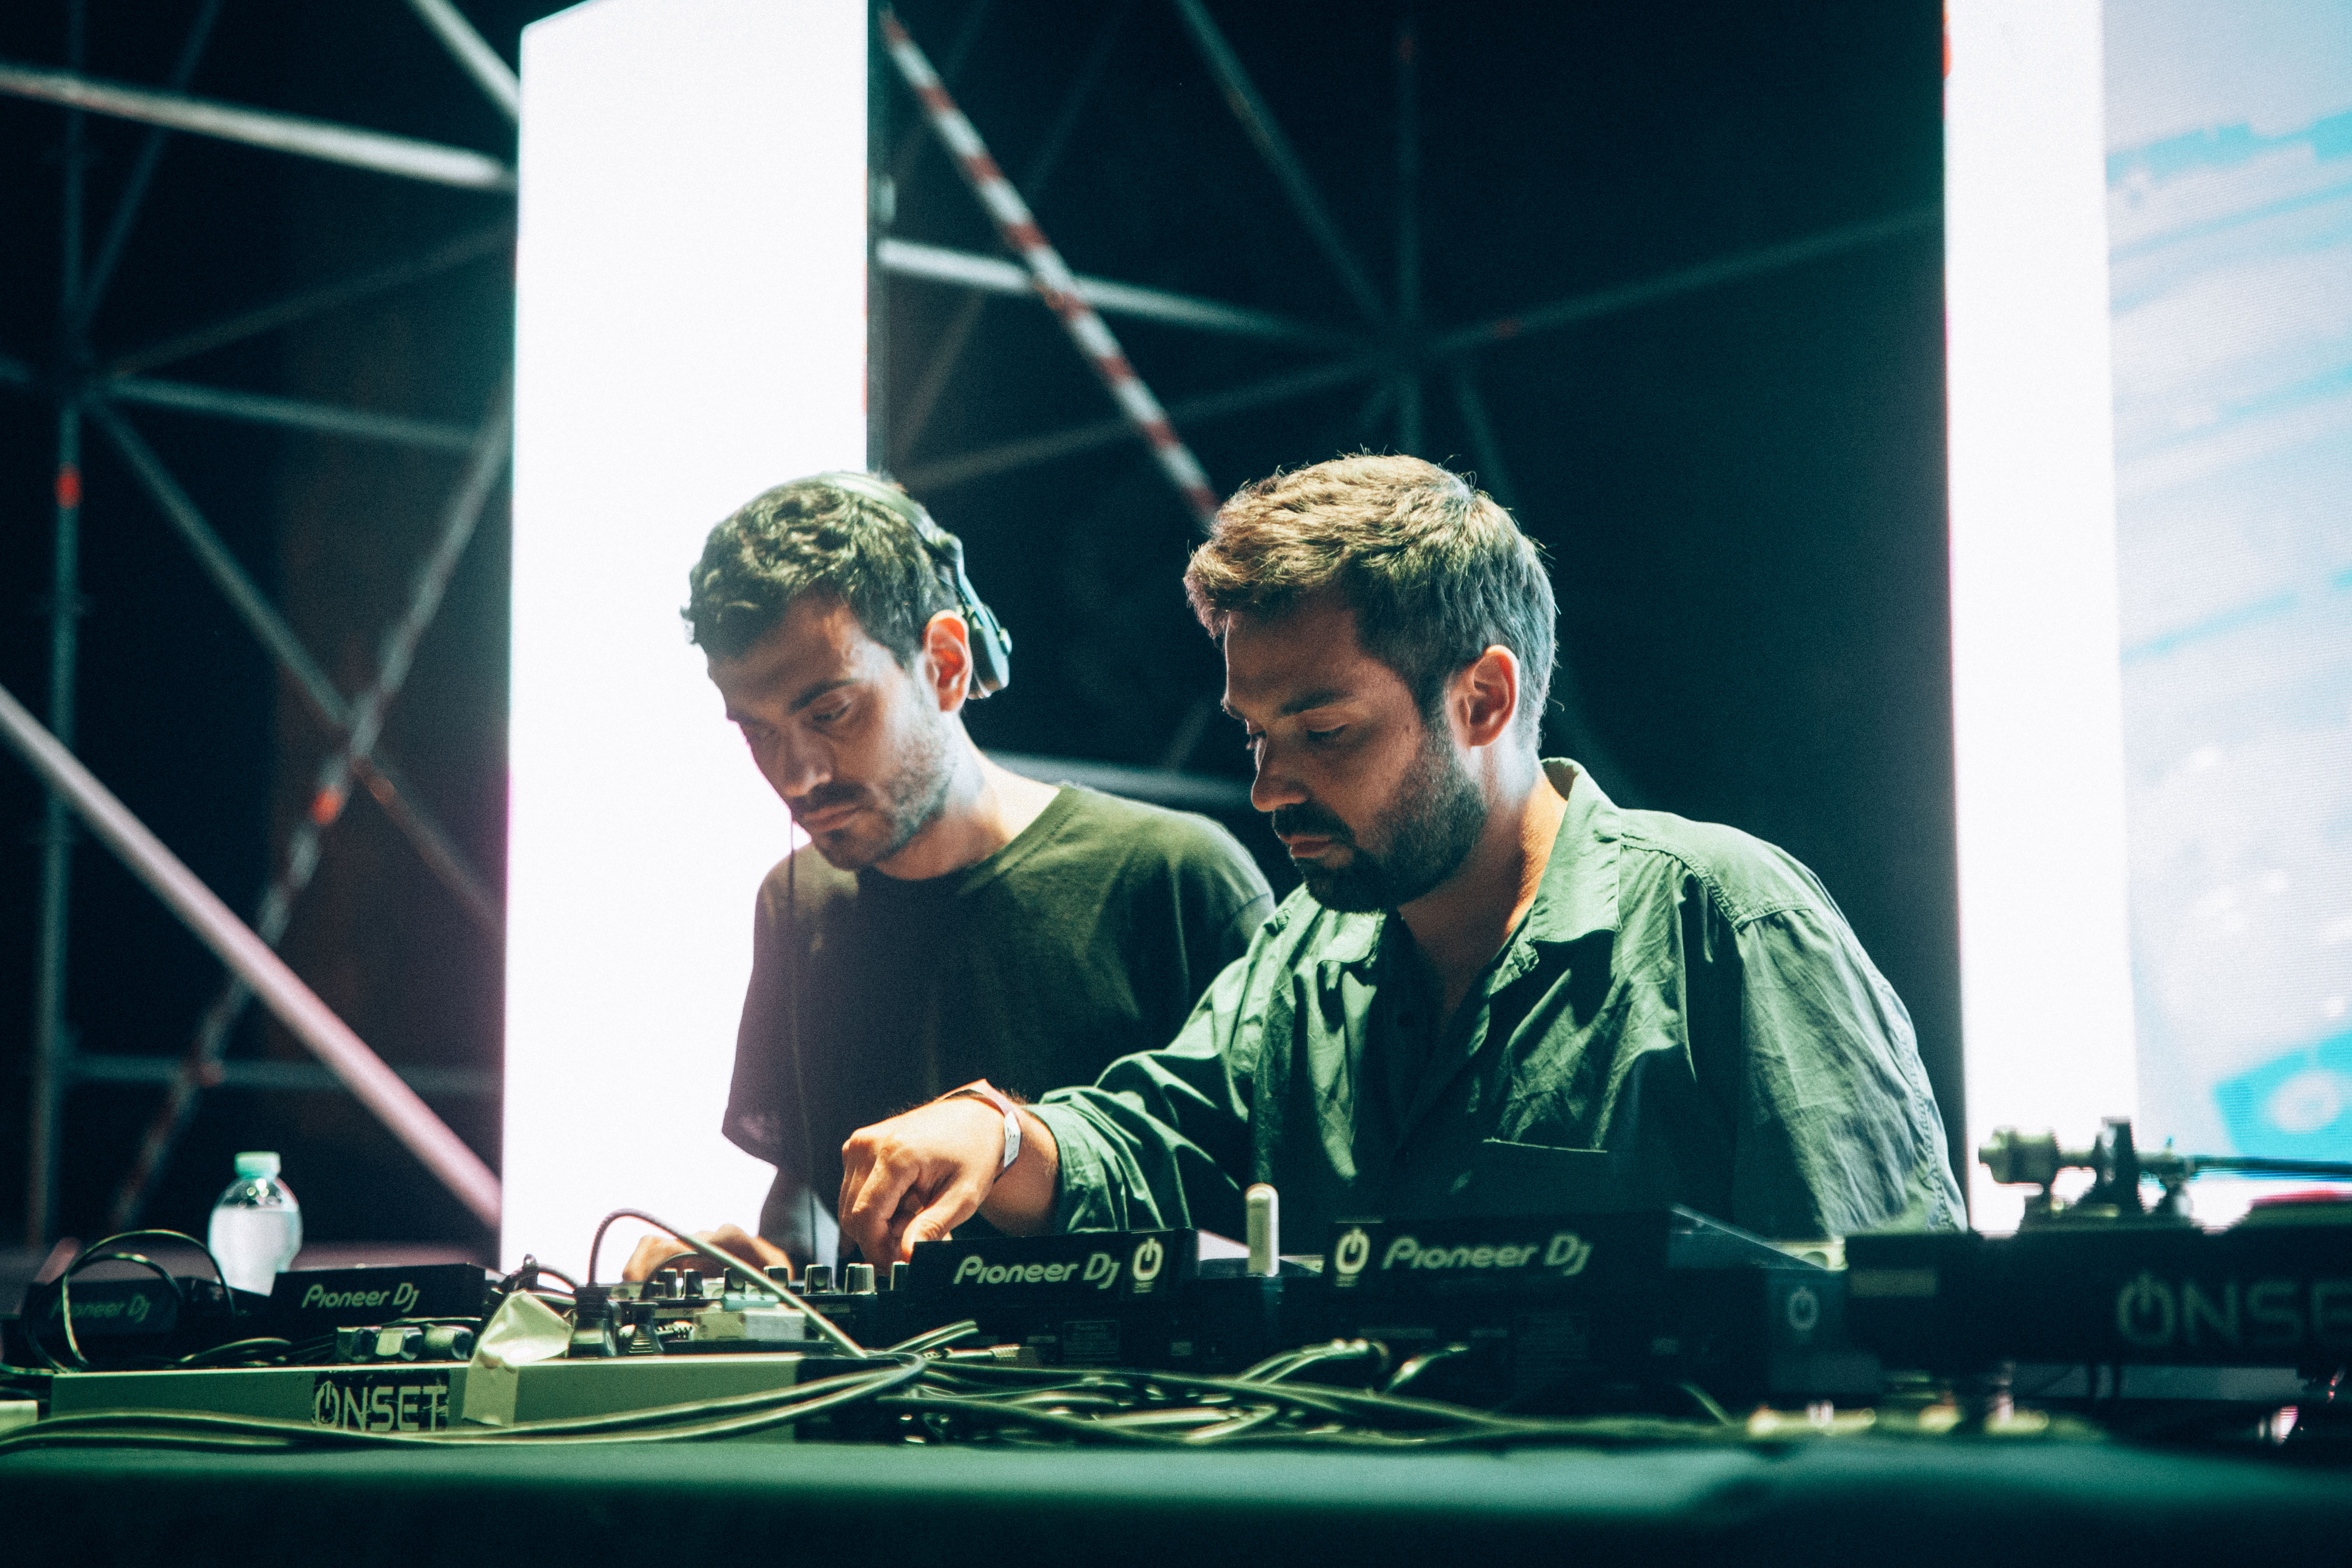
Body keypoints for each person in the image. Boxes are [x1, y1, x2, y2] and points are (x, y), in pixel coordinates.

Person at [836, 455, 1966, 1264]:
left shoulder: (1725, 921)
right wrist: (999, 1133)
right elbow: (1148, 1144)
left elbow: (1893, 1311)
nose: (1268, 789)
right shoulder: (1304, 954)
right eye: (1255, 737)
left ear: (1483, 699)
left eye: (1324, 733)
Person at [625, 473, 1273, 1280]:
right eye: (759, 732)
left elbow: (1273, 1203)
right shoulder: (797, 906)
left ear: (945, 663)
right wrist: (764, 1274)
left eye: (829, 713)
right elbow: (809, 1193)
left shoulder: (1175, 878)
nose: (796, 775)